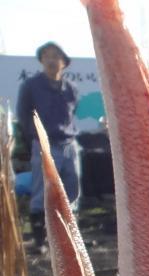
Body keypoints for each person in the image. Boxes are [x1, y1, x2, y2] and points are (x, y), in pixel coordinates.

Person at [16, 41, 79, 249]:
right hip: (44, 144)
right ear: (42, 61)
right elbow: (24, 115)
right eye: (47, 56)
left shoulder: (71, 89)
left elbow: (72, 114)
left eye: (56, 56)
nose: (51, 60)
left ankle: (70, 240)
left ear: (64, 63)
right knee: (41, 191)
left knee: (72, 190)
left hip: (69, 144)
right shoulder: (31, 86)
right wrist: (33, 138)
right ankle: (40, 240)